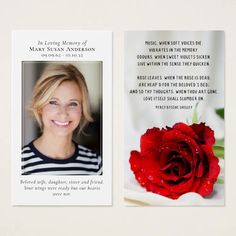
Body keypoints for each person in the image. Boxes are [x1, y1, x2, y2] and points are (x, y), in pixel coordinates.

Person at [21, 64, 102, 175]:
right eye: (53, 102)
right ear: (40, 106)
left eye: (73, 103)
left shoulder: (96, 165)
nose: (63, 113)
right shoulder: (19, 164)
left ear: (82, 109)